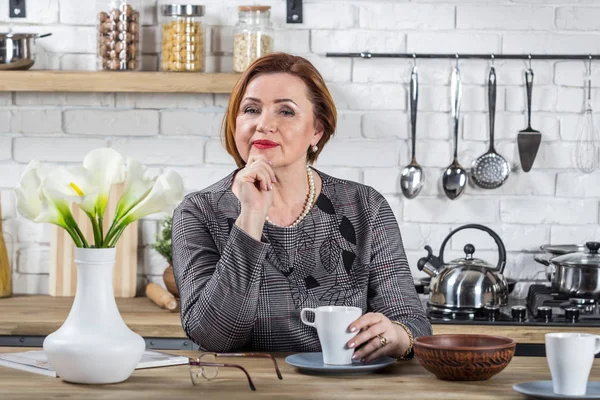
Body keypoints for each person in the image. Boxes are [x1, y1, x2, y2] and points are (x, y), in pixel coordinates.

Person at [171, 52, 431, 362]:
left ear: (316, 131)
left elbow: (413, 322)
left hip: (347, 389)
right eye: (251, 109)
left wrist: (397, 336)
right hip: (242, 389)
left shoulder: (365, 207)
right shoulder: (199, 212)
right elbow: (213, 336)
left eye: (286, 112)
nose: (264, 124)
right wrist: (250, 218)